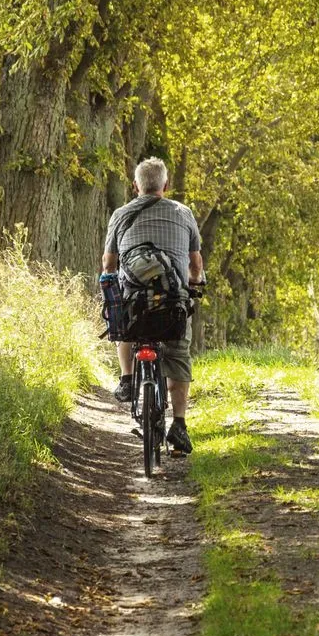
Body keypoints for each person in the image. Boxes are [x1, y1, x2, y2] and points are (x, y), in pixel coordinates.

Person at [102, 157, 203, 453]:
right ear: (166, 185)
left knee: (120, 318)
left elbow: (109, 264)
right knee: (178, 354)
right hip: (173, 302)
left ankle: (127, 378)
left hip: (136, 305)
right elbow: (196, 264)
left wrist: (110, 278)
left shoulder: (121, 214)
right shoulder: (183, 213)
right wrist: (194, 285)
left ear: (136, 186)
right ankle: (180, 426)